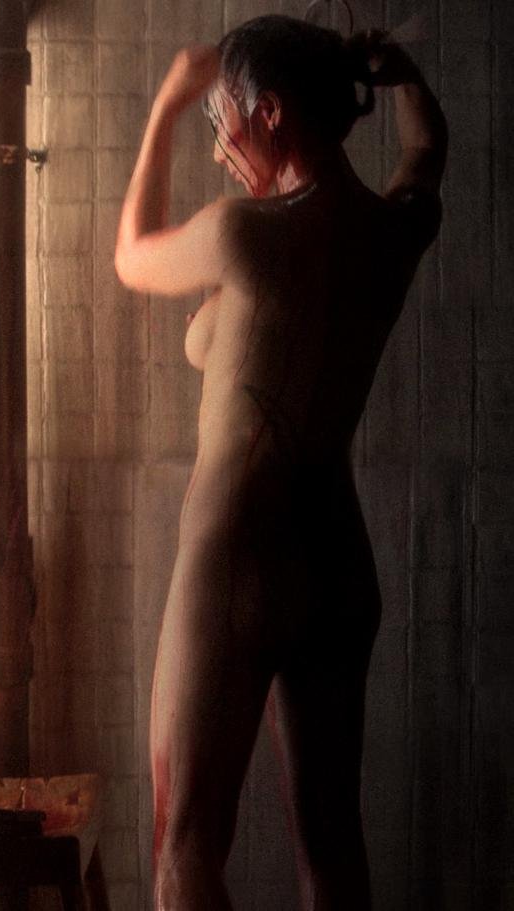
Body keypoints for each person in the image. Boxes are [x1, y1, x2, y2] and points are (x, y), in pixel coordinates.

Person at [115, 14, 447, 911]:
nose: (217, 147)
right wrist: (405, 77)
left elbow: (131, 255)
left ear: (268, 113)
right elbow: (425, 155)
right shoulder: (389, 230)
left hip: (241, 548)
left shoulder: (243, 234)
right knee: (331, 843)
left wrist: (166, 105)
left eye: (221, 120)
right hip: (337, 560)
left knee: (185, 844)